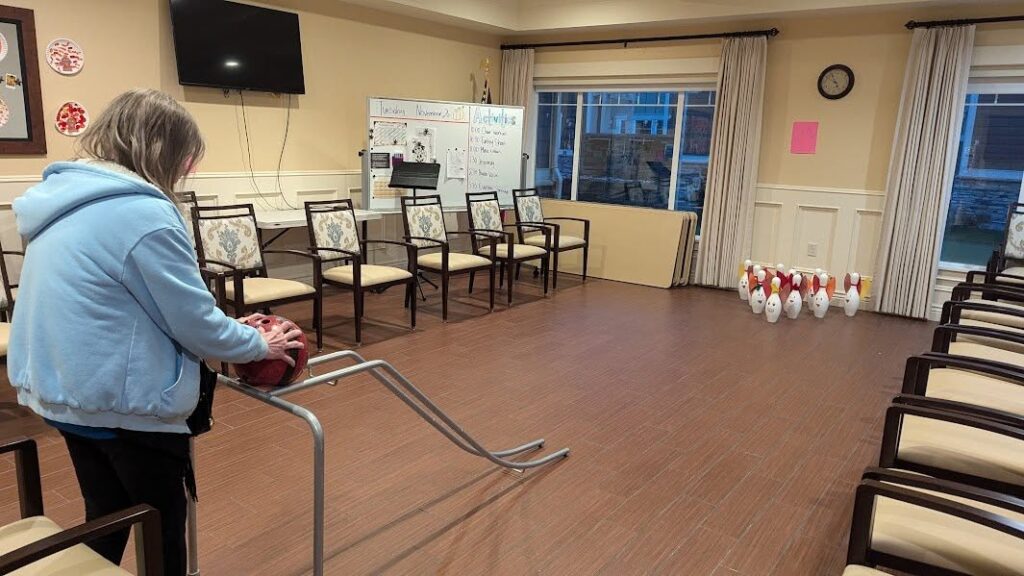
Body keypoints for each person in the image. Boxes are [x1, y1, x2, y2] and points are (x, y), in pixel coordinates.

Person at [7, 89, 303, 575]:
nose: (186, 173)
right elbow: (192, 323)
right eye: (186, 160)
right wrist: (257, 343)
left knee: (106, 513)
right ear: (163, 151)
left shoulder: (58, 201)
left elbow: (121, 305)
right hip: (126, 408)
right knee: (161, 530)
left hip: (66, 392)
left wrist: (227, 327)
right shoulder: (141, 213)